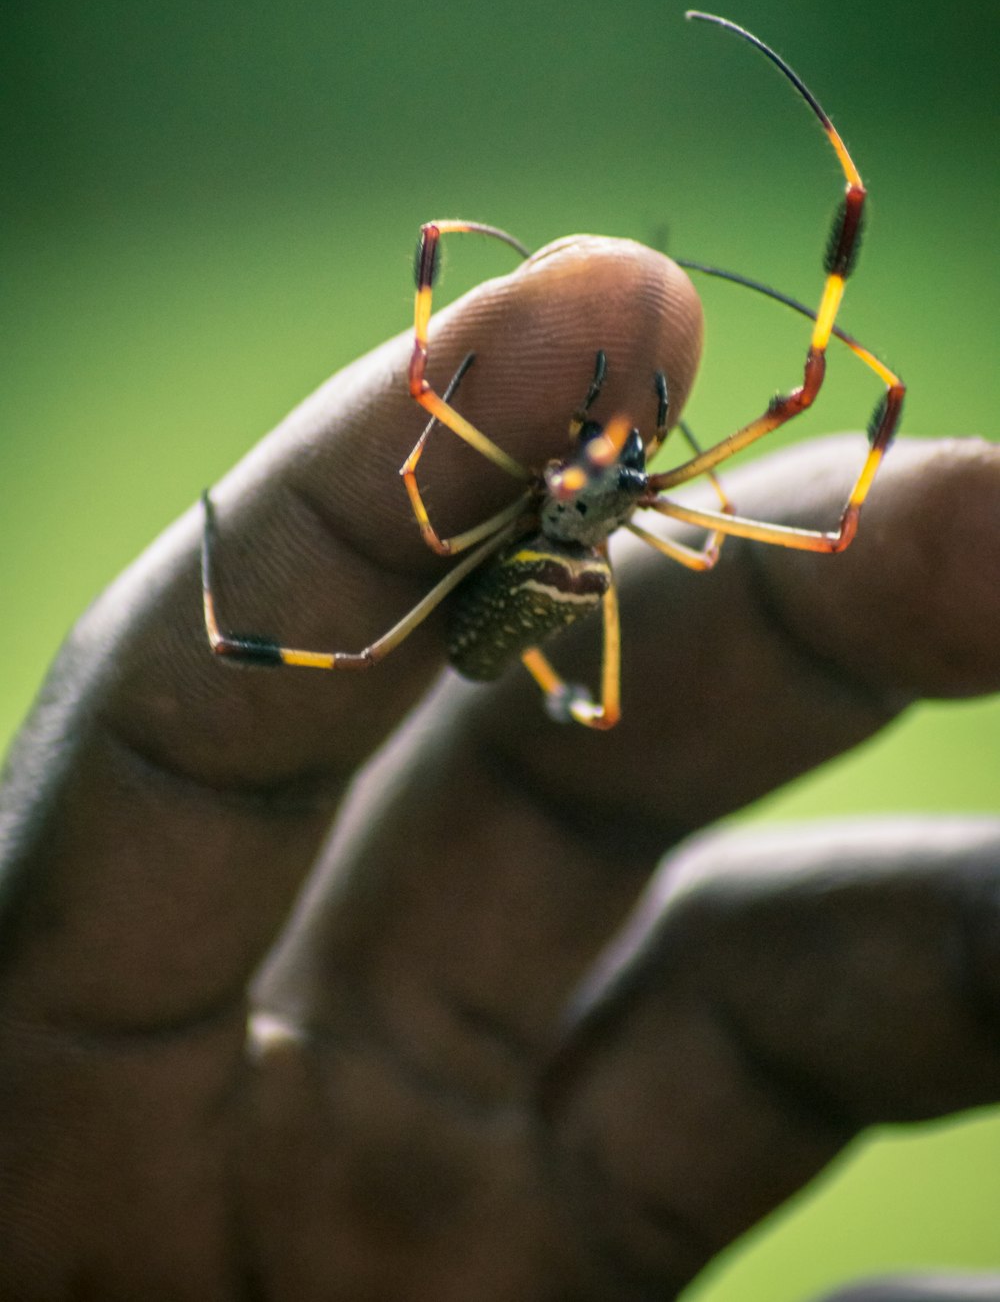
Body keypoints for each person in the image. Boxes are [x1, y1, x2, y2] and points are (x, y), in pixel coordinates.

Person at [1, 237, 997, 1300]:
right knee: (440, 649)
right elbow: (436, 483)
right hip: (530, 588)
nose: (609, 461)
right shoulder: (637, 503)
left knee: (552, 667)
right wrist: (860, 375)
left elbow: (438, 446)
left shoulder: (616, 498)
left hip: (545, 584)